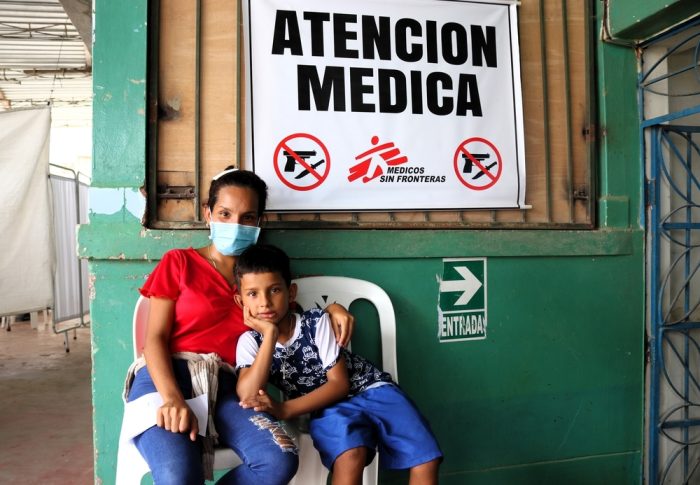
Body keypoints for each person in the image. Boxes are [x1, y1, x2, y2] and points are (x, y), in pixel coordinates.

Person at [122, 167, 355, 485]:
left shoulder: (261, 283)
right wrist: (172, 398)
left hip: (228, 387)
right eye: (225, 213)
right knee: (178, 475)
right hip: (164, 378)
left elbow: (295, 317)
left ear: (259, 222)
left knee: (278, 460)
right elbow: (155, 339)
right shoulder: (179, 262)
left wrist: (332, 308)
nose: (236, 225)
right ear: (208, 213)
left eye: (247, 217)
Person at [234, 244, 443, 485]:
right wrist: (269, 335)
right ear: (240, 301)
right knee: (351, 455)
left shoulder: (317, 323)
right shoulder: (250, 342)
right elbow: (247, 395)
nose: (265, 303)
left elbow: (339, 384)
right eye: (253, 294)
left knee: (425, 457)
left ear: (291, 293)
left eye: (274, 290)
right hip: (326, 406)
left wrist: (284, 410)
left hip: (373, 388)